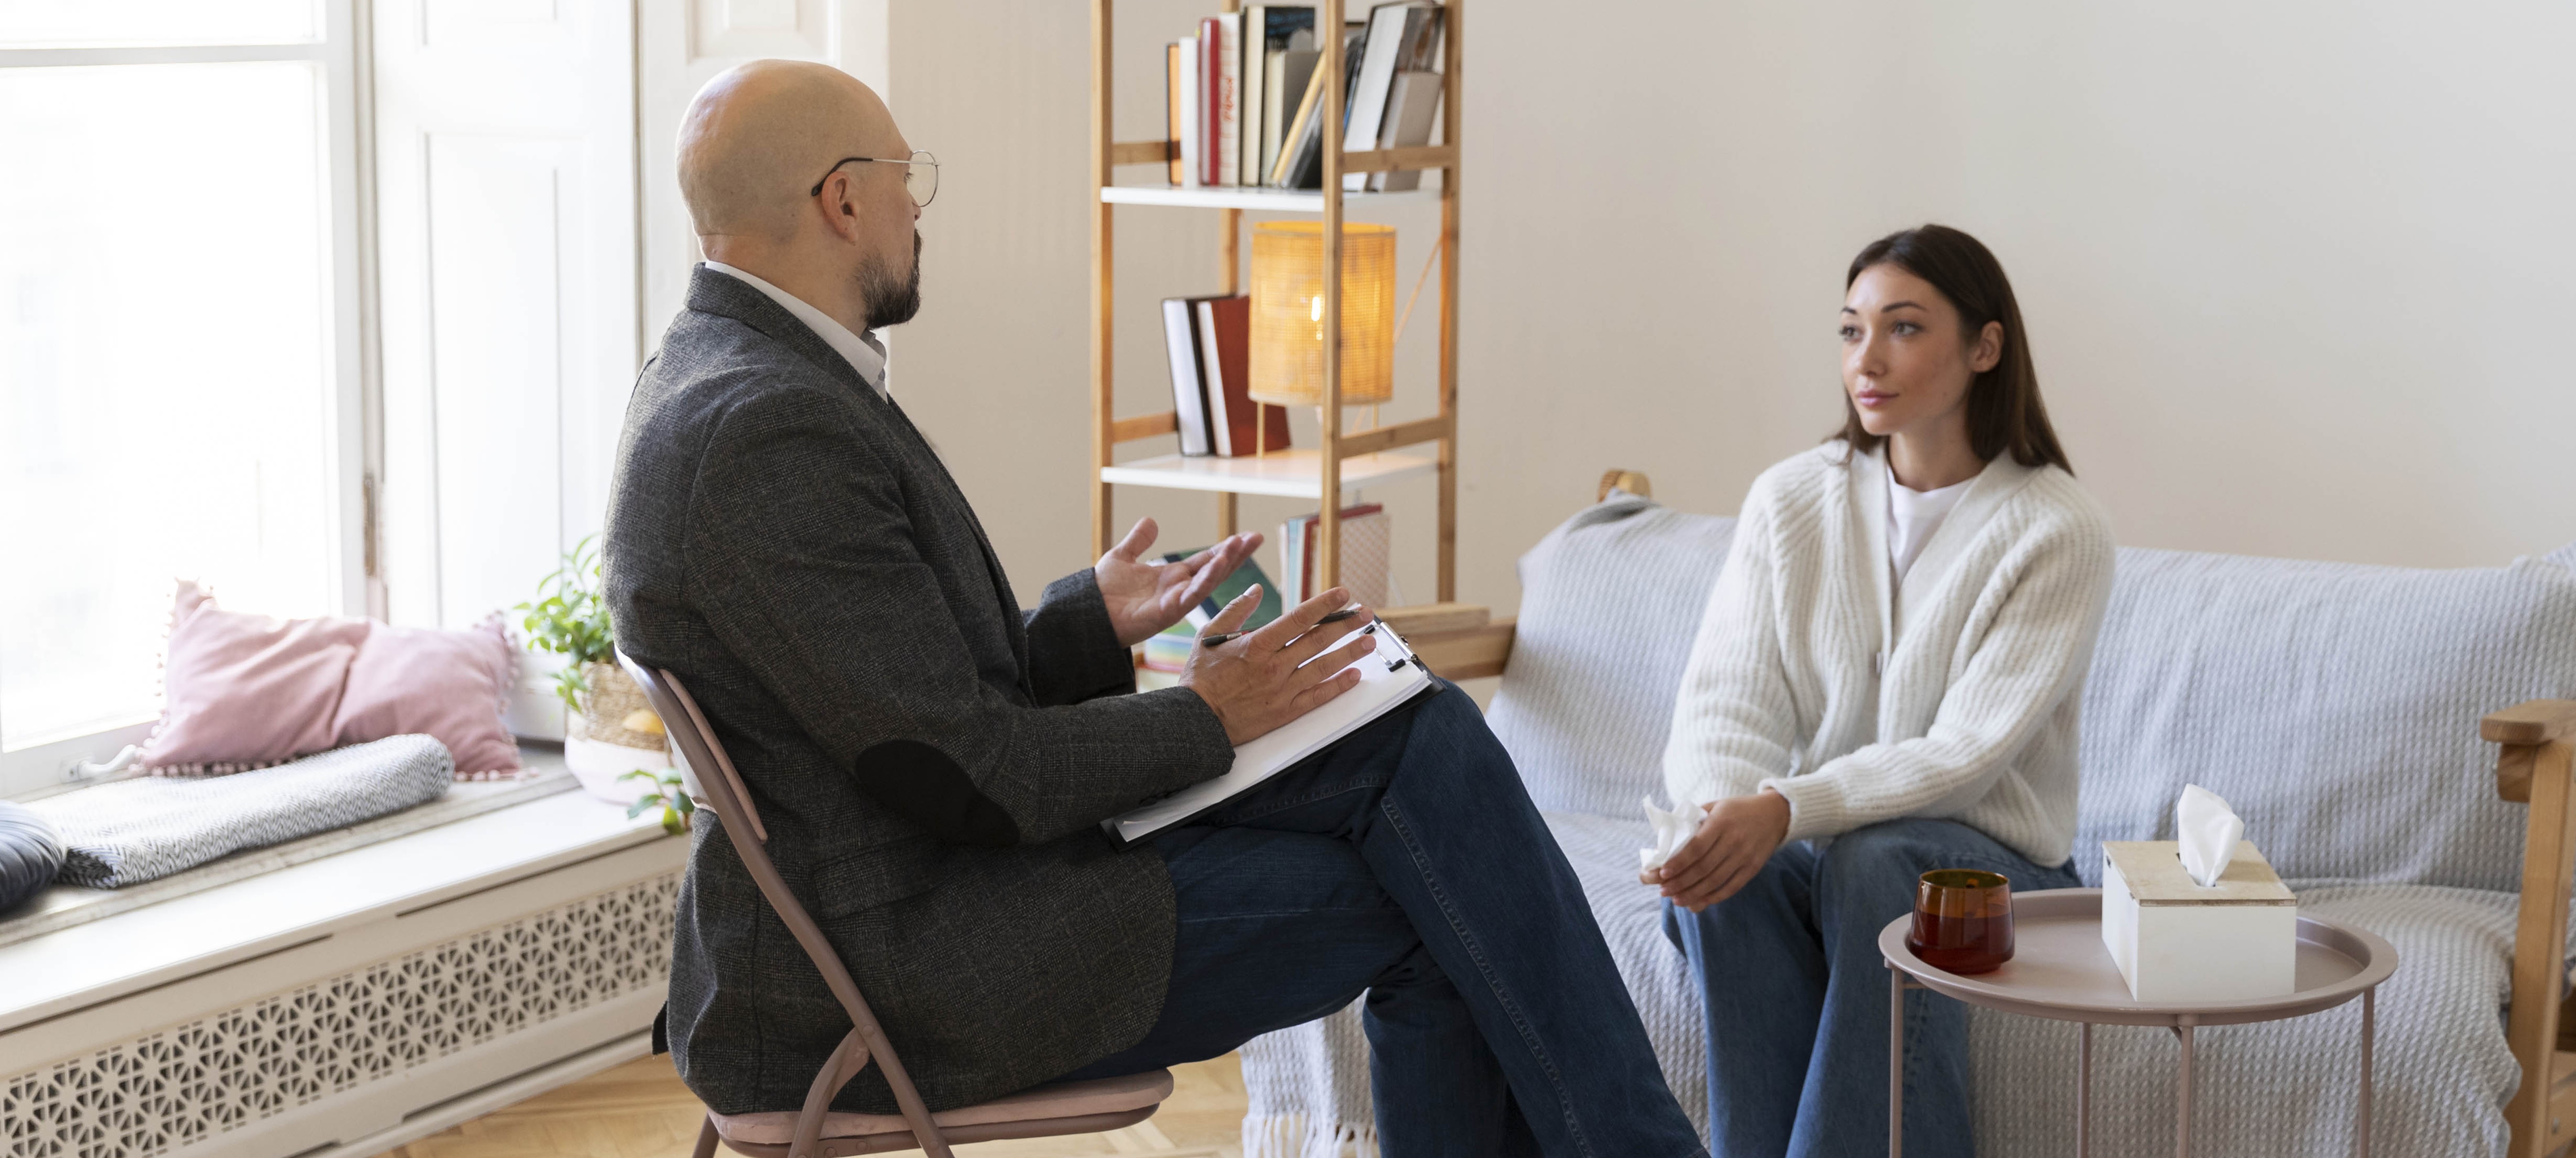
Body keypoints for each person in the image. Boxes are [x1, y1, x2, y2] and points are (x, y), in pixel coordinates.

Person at [606, 60, 1700, 1156]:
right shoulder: (766, 429)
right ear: (842, 199)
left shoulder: (722, 374)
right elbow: (967, 772)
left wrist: (1085, 621)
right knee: (1442, 885)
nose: (917, 206)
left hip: (916, 892)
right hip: (910, 962)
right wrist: (1210, 712)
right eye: (906, 175)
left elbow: (888, 710)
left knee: (1414, 735)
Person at [1649, 223, 2116, 1158]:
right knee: (1722, 882)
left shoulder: (2056, 529)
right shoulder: (1790, 499)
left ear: (1984, 347)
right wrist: (1720, 821)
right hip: (1828, 852)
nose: (1865, 359)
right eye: (1850, 330)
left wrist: (1786, 808)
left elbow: (1964, 755)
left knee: (1880, 865)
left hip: (1997, 877)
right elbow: (1724, 705)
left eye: (1902, 328)